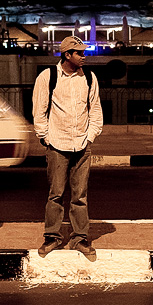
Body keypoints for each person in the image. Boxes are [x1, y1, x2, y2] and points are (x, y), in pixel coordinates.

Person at [32, 35, 103, 259]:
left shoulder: (89, 77)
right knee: (55, 194)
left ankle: (79, 238)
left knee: (80, 195)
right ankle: (52, 237)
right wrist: (46, 138)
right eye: (79, 53)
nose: (84, 56)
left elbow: (96, 110)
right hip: (57, 143)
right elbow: (39, 110)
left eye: (84, 52)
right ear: (67, 55)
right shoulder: (48, 77)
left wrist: (90, 136)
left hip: (82, 143)